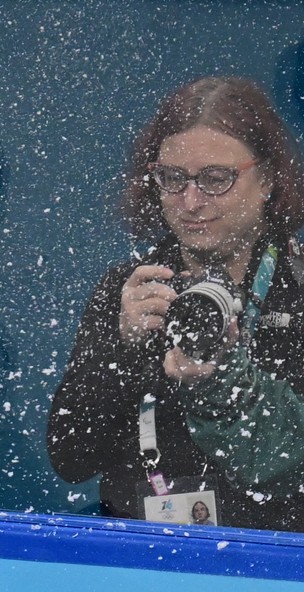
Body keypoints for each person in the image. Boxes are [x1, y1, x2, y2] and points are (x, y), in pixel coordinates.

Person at [47, 77, 304, 531]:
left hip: (279, 565)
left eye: (215, 179)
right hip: (152, 556)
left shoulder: (297, 288)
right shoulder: (128, 289)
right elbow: (70, 458)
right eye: (172, 179)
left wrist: (223, 385)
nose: (190, 202)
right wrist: (122, 352)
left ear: (266, 179)